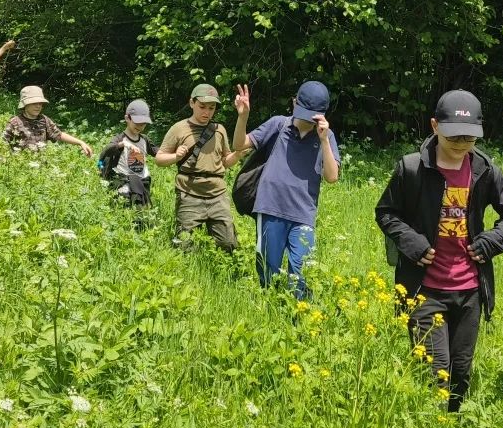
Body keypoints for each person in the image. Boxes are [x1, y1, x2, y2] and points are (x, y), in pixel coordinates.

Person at [374, 89, 503, 412]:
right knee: (435, 375)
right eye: (453, 136)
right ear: (434, 126)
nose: (460, 144)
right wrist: (411, 241)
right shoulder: (412, 168)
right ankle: (433, 421)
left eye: (469, 138)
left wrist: (491, 241)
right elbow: (386, 212)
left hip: (470, 290)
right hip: (424, 289)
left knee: (460, 374)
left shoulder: (485, 170)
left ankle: (454, 420)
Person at [231, 81, 340, 299]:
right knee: (268, 270)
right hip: (270, 207)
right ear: (294, 103)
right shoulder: (278, 124)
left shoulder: (326, 137)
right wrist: (243, 116)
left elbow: (332, 177)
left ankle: (299, 316)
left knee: (302, 272)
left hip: (303, 213)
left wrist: (324, 141)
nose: (307, 120)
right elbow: (239, 145)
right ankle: (269, 309)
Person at [155, 84, 243, 252]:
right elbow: (159, 159)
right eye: (202, 106)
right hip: (189, 193)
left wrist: (238, 155)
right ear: (191, 103)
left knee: (228, 245)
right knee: (184, 246)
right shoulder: (179, 128)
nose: (207, 112)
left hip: (217, 194)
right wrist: (176, 157)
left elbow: (225, 161)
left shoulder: (219, 130)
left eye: (211, 108)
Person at [99, 99, 159, 209]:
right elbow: (106, 151)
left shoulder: (144, 139)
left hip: (141, 182)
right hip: (123, 182)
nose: (140, 126)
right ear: (127, 118)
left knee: (142, 212)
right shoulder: (120, 138)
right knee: (124, 209)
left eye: (143, 123)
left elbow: (159, 153)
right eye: (137, 122)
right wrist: (124, 144)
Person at [2, 85, 93, 155]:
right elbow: (3, 143)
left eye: (40, 103)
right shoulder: (15, 122)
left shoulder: (44, 120)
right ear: (25, 104)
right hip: (21, 165)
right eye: (34, 103)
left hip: (41, 167)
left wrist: (80, 142)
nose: (38, 106)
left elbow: (59, 135)